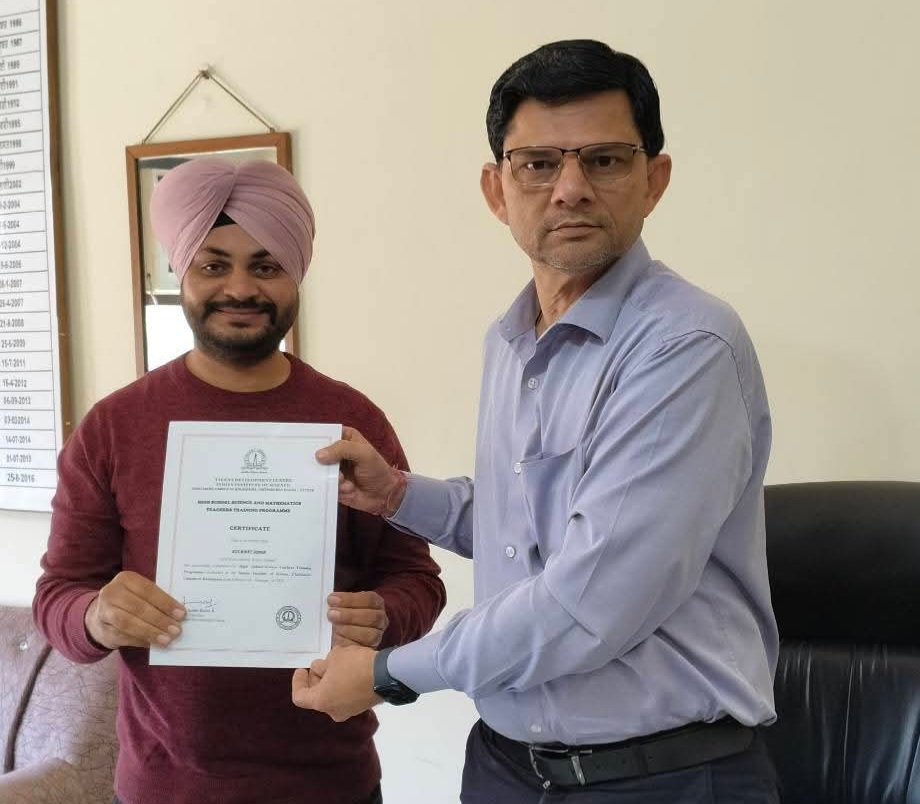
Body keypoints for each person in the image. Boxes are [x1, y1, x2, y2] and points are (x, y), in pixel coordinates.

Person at [291, 39, 780, 802]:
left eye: (606, 160)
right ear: (497, 190)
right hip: (509, 769)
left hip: (664, 777)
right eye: (539, 163)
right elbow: (530, 530)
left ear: (656, 181)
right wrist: (396, 496)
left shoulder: (685, 348)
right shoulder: (512, 339)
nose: (571, 188)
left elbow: (589, 603)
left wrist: (388, 674)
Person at [33, 159, 446, 804]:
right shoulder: (113, 426)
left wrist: (385, 614)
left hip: (330, 786)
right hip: (161, 788)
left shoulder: (352, 421)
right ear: (180, 272)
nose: (240, 288)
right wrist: (96, 616)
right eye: (213, 264)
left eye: (266, 265)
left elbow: (417, 579)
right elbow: (58, 595)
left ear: (296, 275)